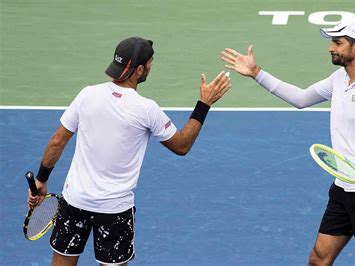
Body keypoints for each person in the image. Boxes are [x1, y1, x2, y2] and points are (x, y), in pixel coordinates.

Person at [221, 18, 355, 265]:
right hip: (343, 189)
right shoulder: (339, 78)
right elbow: (301, 98)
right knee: (319, 259)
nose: (330, 48)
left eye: (337, 42)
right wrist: (256, 73)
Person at [27, 37, 231, 266]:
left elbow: (57, 142)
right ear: (139, 69)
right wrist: (204, 103)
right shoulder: (146, 109)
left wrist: (42, 179)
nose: (151, 67)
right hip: (115, 211)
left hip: (75, 202)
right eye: (150, 63)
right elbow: (182, 145)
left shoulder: (86, 95)